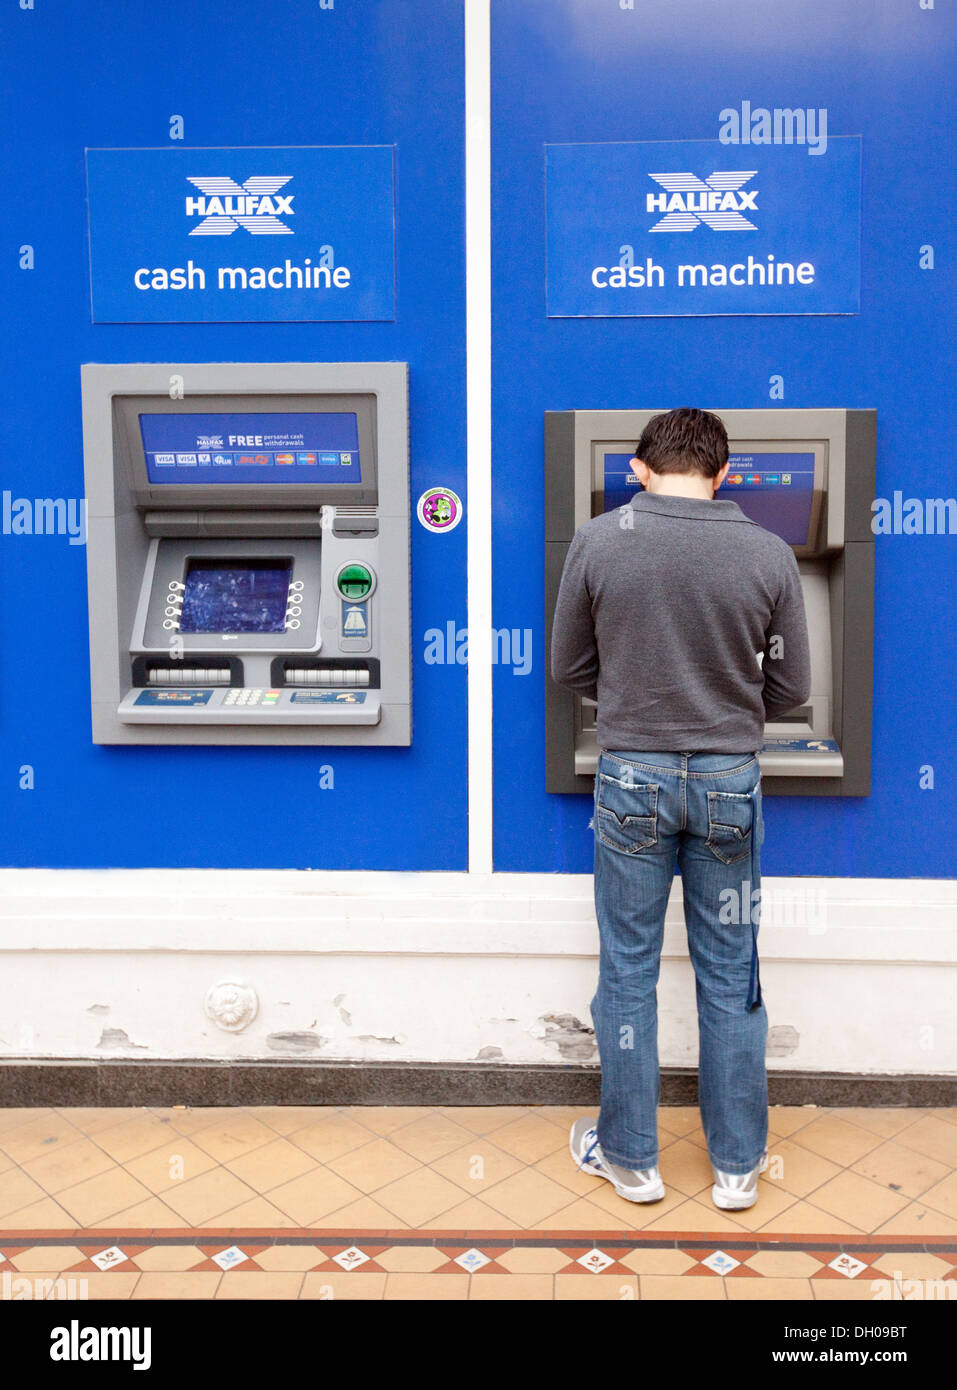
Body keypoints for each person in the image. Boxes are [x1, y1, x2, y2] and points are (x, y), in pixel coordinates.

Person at [550, 407, 810, 1211]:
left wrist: (637, 700)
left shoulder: (599, 540)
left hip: (630, 779)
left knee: (627, 969)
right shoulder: (768, 552)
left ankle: (630, 1160)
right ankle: (736, 1167)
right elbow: (793, 689)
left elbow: (568, 666)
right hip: (731, 784)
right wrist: (725, 708)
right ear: (722, 472)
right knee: (730, 970)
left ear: (638, 467)